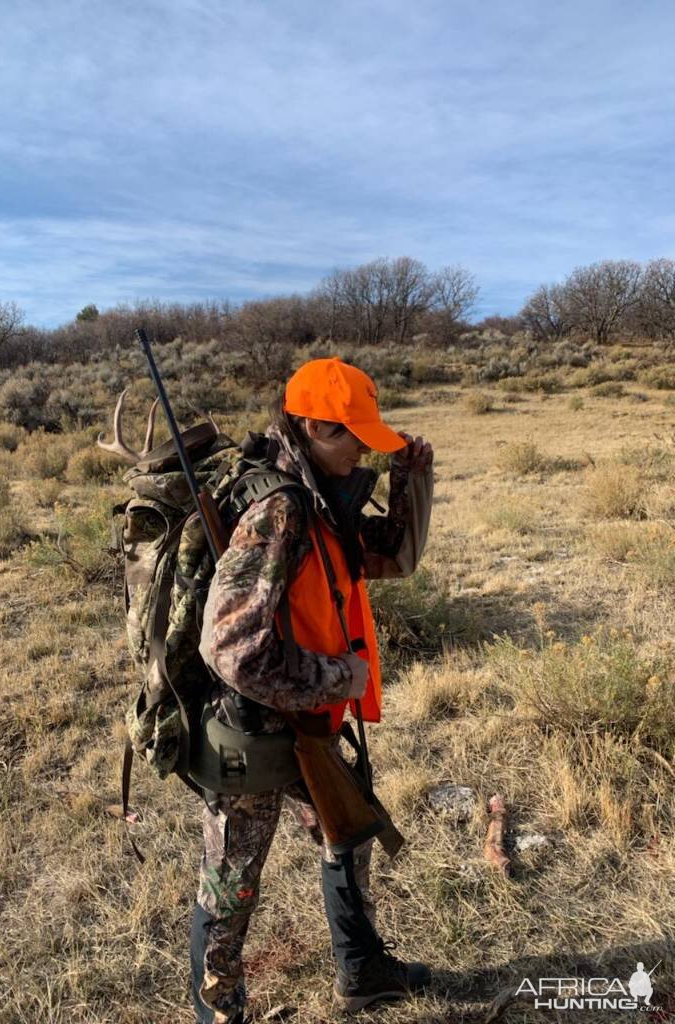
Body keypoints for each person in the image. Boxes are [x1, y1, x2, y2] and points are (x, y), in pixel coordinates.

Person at [193, 356, 435, 1023]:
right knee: (231, 886)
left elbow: (391, 556)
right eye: (348, 434)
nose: (359, 447)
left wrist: (411, 476)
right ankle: (219, 1013)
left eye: (364, 434)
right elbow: (231, 648)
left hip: (306, 723)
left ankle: (363, 973)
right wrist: (338, 677)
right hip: (252, 728)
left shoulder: (323, 488)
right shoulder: (278, 509)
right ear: (305, 426)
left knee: (346, 833)